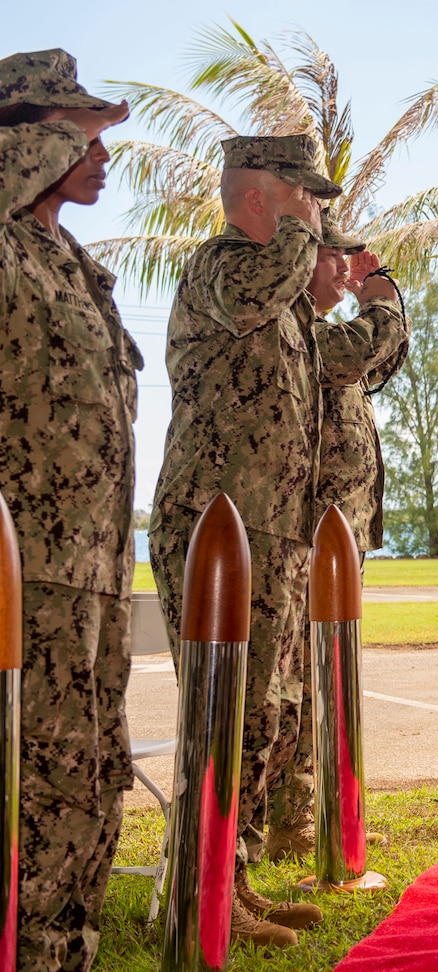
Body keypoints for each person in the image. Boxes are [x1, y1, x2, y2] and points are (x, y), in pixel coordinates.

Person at [149, 134, 403, 948]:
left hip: (275, 534)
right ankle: (193, 890)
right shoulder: (227, 266)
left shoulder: (287, 304)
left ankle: (232, 879)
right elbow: (263, 289)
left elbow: (354, 359)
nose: (318, 213)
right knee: (219, 716)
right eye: (306, 196)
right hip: (217, 534)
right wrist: (298, 230)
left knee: (260, 717)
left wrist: (374, 298)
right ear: (262, 194)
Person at [0, 49, 136, 972]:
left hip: (91, 569)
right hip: (25, 573)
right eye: (76, 134)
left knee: (90, 777)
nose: (100, 154)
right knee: (36, 779)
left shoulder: (67, 258)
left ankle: (67, 952)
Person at [256, 207, 406, 863]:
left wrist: (383, 299)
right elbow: (359, 350)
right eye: (334, 255)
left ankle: (309, 818)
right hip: (302, 533)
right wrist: (384, 298)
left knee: (324, 681)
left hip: (335, 534)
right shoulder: (294, 333)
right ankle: (286, 822)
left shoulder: (315, 330)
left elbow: (382, 357)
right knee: (296, 684)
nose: (346, 269)